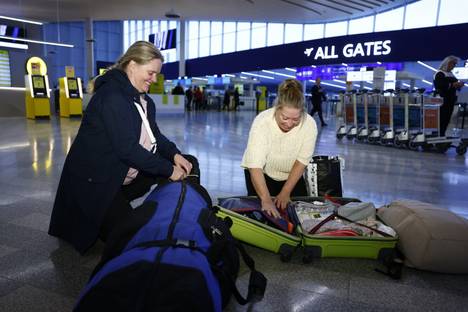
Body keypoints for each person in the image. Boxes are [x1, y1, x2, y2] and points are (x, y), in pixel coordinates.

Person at [48, 41, 194, 254]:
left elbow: (156, 137)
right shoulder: (112, 97)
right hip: (95, 181)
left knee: (187, 162)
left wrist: (175, 155)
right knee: (131, 238)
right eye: (151, 73)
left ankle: (120, 206)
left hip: (117, 173)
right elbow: (127, 149)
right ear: (133, 65)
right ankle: (103, 211)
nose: (154, 80)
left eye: (156, 75)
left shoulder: (143, 101)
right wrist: (170, 170)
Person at [241, 78, 318, 218]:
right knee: (262, 216)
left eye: (295, 120)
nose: (289, 124)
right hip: (261, 174)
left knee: (299, 216)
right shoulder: (262, 122)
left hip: (292, 175)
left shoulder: (309, 124)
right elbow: (255, 166)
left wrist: (285, 192)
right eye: (285, 118)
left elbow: (301, 162)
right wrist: (265, 199)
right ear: (277, 108)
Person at [433, 55, 465, 136]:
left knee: (447, 119)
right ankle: (437, 135)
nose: (454, 66)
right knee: (441, 118)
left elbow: (454, 86)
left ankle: (442, 134)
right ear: (448, 63)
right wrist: (453, 85)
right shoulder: (440, 73)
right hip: (442, 100)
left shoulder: (451, 74)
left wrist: (459, 85)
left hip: (450, 100)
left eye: (455, 64)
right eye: (453, 64)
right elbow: (440, 85)